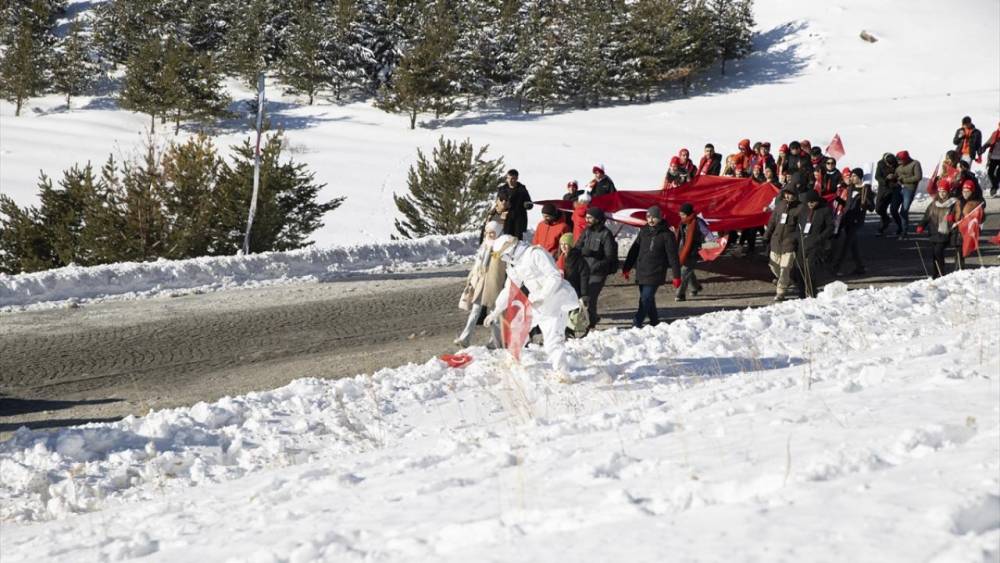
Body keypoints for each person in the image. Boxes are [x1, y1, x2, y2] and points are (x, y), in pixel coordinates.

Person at [485, 235, 580, 373]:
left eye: (503, 255)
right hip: (536, 301)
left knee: (552, 342)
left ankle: (562, 373)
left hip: (555, 300)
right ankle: (512, 358)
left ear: (510, 250)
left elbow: (554, 276)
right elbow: (510, 288)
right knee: (519, 326)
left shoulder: (535, 254)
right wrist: (497, 310)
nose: (502, 259)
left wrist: (543, 296)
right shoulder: (514, 263)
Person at [621, 206, 682, 328]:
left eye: (653, 217)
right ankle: (654, 321)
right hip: (642, 270)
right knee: (648, 299)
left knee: (645, 299)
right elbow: (634, 250)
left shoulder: (667, 235)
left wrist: (676, 276)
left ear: (659, 217)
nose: (651, 220)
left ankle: (637, 323)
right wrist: (626, 268)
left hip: (656, 271)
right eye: (648, 217)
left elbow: (673, 256)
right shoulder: (644, 231)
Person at [455, 221, 506, 348]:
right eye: (487, 232)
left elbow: (499, 264)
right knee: (475, 310)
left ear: (498, 233)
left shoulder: (502, 247)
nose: (489, 235)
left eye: (492, 233)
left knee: (495, 313)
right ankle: (465, 338)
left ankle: (496, 342)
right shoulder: (484, 245)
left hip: (494, 284)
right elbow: (478, 264)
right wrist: (472, 277)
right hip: (480, 282)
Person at [575, 207, 618, 329]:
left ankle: (591, 323)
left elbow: (610, 256)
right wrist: (581, 251)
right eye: (586, 217)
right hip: (584, 271)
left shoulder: (606, 234)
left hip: (598, 272)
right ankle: (590, 318)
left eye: (590, 217)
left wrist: (595, 256)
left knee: (591, 297)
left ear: (597, 219)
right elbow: (577, 246)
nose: (587, 219)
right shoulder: (586, 231)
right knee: (582, 296)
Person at [830, 168, 874, 276]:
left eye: (854, 176)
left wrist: (866, 203)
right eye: (851, 176)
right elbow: (847, 203)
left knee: (846, 244)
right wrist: (838, 199)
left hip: (856, 220)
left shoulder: (866, 190)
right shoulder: (850, 188)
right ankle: (860, 267)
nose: (852, 178)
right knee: (853, 245)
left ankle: (836, 267)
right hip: (846, 217)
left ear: (859, 177)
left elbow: (872, 207)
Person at [915, 181, 961, 278]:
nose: (942, 193)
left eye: (944, 191)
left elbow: (958, 216)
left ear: (948, 192)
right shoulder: (933, 204)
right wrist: (921, 225)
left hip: (945, 232)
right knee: (934, 254)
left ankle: (942, 272)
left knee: (938, 251)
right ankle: (936, 273)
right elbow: (926, 216)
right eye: (940, 191)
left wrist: (952, 219)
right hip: (934, 232)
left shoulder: (953, 203)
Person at [763, 187, 801, 300]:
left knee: (785, 268)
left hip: (789, 243)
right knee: (773, 265)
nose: (789, 196)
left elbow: (801, 227)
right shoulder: (779, 205)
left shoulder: (800, 208)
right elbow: (772, 222)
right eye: (787, 194)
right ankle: (786, 281)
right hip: (776, 241)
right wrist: (766, 235)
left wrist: (796, 239)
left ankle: (780, 292)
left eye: (791, 194)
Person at [794, 190, 833, 298]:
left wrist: (820, 238)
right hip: (802, 242)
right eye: (808, 202)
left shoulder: (825, 210)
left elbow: (830, 227)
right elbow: (799, 225)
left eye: (813, 202)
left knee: (811, 270)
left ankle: (811, 292)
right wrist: (797, 237)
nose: (810, 204)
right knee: (799, 269)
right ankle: (801, 292)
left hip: (815, 243)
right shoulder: (804, 210)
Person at [675, 203, 705, 301]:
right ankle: (696, 287)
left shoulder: (698, 222)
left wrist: (704, 245)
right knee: (688, 271)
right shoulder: (682, 223)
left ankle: (680, 294)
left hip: (693, 252)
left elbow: (707, 234)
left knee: (684, 272)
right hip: (683, 250)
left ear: (688, 214)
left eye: (682, 214)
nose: (680, 216)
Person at [955, 179, 985, 270]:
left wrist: (976, 219)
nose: (965, 193)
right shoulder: (959, 201)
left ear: (972, 191)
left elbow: (982, 217)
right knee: (958, 248)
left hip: (968, 229)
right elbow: (955, 212)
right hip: (958, 227)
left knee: (963, 248)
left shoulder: (977, 203)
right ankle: (958, 267)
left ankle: (959, 268)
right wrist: (951, 217)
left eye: (968, 192)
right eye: (964, 191)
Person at [497, 169, 533, 239]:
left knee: (517, 239)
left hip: (519, 219)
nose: (510, 180)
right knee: (506, 238)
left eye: (512, 179)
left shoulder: (522, 190)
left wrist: (527, 205)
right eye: (508, 178)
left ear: (516, 178)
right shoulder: (502, 189)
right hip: (506, 219)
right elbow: (497, 202)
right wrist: (501, 206)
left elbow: (529, 203)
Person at [874, 152, 902, 237]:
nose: (891, 166)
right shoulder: (880, 163)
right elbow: (877, 177)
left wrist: (895, 177)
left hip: (895, 189)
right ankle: (886, 219)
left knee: (893, 210)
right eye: (889, 165)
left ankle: (900, 228)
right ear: (885, 161)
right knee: (879, 209)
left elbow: (902, 175)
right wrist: (886, 179)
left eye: (892, 165)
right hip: (884, 189)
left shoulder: (898, 163)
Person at [895, 150, 922, 237]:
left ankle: (904, 230)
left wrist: (905, 180)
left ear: (906, 159)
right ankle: (899, 227)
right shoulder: (899, 166)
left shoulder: (915, 163)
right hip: (899, 188)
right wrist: (893, 176)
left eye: (901, 161)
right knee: (893, 209)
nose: (899, 163)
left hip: (909, 189)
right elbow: (896, 174)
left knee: (904, 210)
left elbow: (918, 177)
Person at [556, 232, 588, 299]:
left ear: (571, 245)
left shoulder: (579, 260)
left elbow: (584, 278)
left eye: (566, 244)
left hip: (574, 291)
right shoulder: (560, 259)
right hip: (561, 292)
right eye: (561, 244)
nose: (563, 247)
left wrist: (584, 294)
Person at [983, 121, 1000, 197]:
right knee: (990, 173)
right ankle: (995, 186)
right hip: (993, 157)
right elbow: (988, 142)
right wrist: (983, 148)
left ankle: (994, 188)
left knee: (999, 173)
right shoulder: (995, 134)